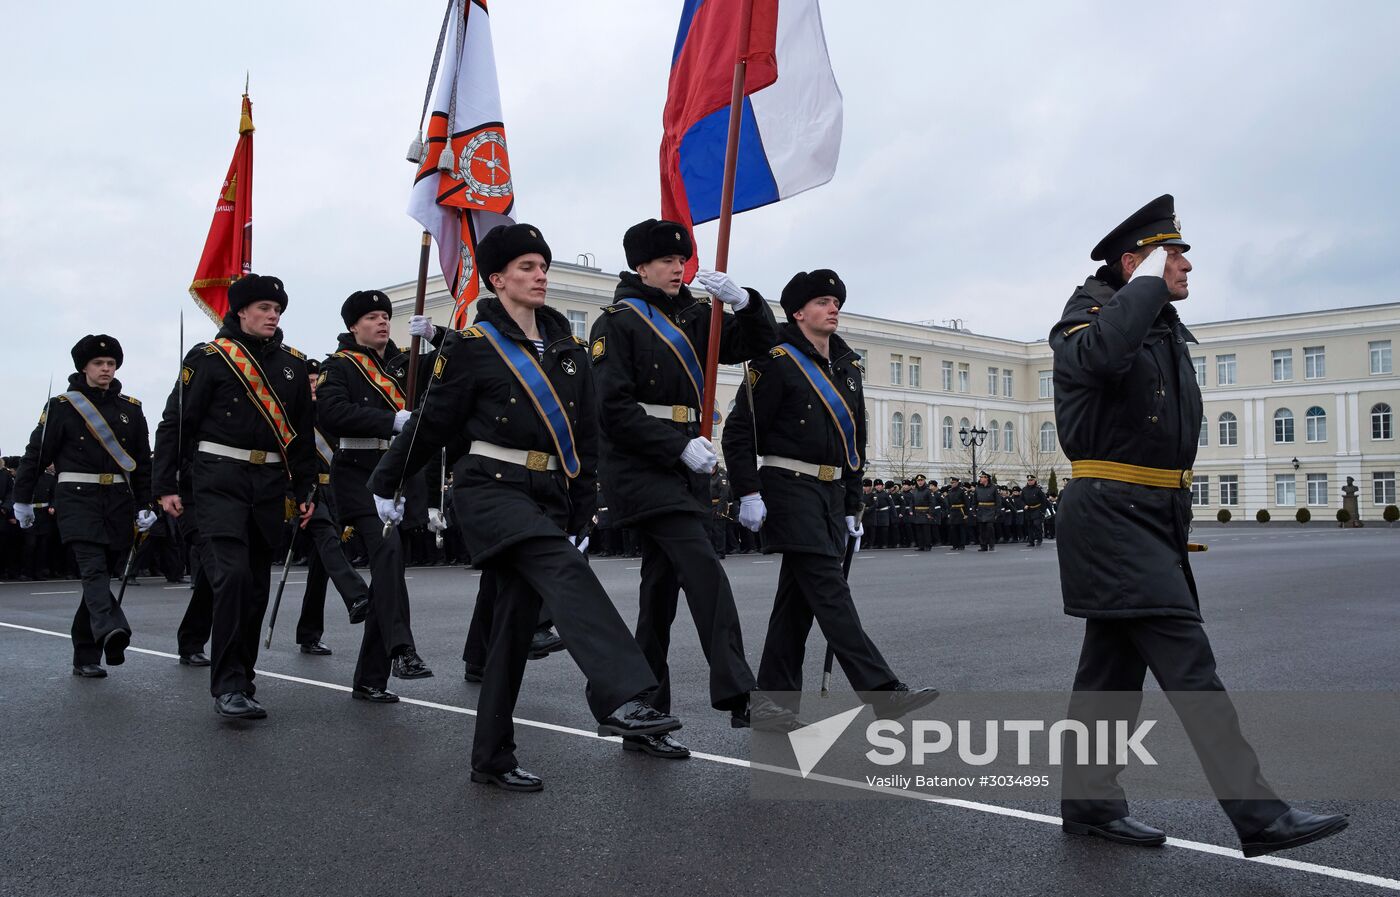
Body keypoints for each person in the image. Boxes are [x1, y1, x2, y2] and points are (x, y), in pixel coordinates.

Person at [1051, 194, 1347, 856]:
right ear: (1135, 265)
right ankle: (1258, 812)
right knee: (1190, 662)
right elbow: (1099, 360)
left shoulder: (1158, 327)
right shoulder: (1086, 321)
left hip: (1151, 515)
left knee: (1111, 671)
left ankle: (1090, 801)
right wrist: (1148, 288)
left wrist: (1152, 294)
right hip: (1112, 515)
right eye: (1171, 256)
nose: (1185, 267)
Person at [370, 223, 680, 789]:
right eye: (525, 268)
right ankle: (621, 694)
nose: (539, 276)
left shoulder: (569, 352)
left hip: (547, 494)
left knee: (512, 627)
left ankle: (492, 756)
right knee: (564, 571)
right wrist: (385, 483)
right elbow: (431, 423)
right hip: (488, 486)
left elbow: (586, 441)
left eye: (542, 267)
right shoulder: (469, 347)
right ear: (497, 280)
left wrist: (582, 513)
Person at [722, 269, 938, 729]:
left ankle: (768, 705)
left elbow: (854, 442)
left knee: (795, 606)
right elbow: (740, 430)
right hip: (788, 486)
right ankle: (882, 692)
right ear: (798, 312)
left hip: (829, 491)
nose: (833, 308)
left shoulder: (848, 368)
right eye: (822, 301)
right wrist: (748, 491)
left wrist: (851, 505)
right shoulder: (775, 360)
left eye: (836, 301)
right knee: (829, 593)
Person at [588, 217, 773, 746]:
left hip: (685, 468)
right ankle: (740, 694)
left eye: (681, 260)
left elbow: (756, 343)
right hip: (643, 468)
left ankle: (643, 711)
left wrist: (745, 302)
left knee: (660, 594)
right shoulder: (616, 323)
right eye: (667, 261)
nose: (678, 268)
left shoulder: (696, 315)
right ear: (640, 267)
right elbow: (614, 409)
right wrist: (675, 444)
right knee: (705, 570)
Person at [153, 275, 317, 719]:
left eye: (277, 309)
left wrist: (306, 487)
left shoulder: (292, 366)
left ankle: (243, 678)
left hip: (267, 487)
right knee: (232, 578)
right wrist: (165, 484)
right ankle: (227, 685)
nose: (272, 315)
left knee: (256, 588)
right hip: (215, 481)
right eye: (263, 307)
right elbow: (175, 424)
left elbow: (300, 437)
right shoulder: (209, 358)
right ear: (240, 312)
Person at [317, 289, 438, 699]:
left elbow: (456, 368)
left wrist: (438, 335)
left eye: (385, 315)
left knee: (389, 574)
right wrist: (390, 420)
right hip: (359, 475)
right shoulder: (340, 366)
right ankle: (403, 649)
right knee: (387, 557)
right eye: (371, 317)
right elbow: (331, 413)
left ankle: (370, 679)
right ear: (353, 326)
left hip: (399, 475)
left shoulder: (406, 361)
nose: (382, 322)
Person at [13, 335, 155, 676]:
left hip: (117, 502)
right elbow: (36, 456)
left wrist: (146, 505)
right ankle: (112, 629)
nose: (106, 369)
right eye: (98, 364)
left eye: (111, 364)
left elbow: (142, 463)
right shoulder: (62, 406)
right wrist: (22, 499)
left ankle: (85, 654)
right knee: (93, 571)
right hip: (77, 498)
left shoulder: (131, 409)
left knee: (100, 575)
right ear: (84, 368)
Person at [294, 362, 371, 655]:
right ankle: (356, 596)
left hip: (334, 488)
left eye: (316, 381)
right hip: (309, 491)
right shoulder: (295, 415)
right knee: (327, 540)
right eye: (309, 382)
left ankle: (309, 633)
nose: (313, 386)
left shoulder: (332, 412)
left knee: (320, 566)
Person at [973, 472, 997, 552]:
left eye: (982, 477)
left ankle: (991, 545)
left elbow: (998, 501)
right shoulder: (977, 488)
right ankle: (983, 545)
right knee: (982, 529)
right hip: (981, 510)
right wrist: (974, 511)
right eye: (980, 477)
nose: (980, 479)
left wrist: (997, 512)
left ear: (986, 478)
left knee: (990, 528)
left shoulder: (993, 488)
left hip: (990, 510)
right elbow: (974, 501)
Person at [909, 474, 933, 551]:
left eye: (921, 480)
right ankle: (921, 545)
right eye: (918, 481)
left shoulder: (928, 491)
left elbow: (932, 503)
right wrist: (911, 510)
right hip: (917, 513)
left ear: (924, 481)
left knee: (926, 531)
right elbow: (911, 502)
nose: (920, 482)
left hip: (925, 512)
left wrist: (930, 513)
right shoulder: (914, 491)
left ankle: (927, 545)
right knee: (918, 531)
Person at [1022, 474, 1046, 547]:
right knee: (1030, 526)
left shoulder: (1038, 489)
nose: (1030, 482)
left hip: (1037, 509)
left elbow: (1043, 501)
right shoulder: (1024, 489)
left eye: (1031, 480)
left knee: (1037, 525)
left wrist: (1042, 511)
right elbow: (1021, 499)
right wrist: (1024, 505)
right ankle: (1031, 541)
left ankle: (1039, 539)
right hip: (1028, 510)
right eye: (1029, 480)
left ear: (1034, 480)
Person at [945, 477, 967, 551]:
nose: (952, 484)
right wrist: (949, 512)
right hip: (953, 511)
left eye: (953, 482)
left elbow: (966, 502)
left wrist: (966, 513)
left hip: (960, 511)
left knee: (961, 529)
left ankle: (962, 545)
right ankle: (955, 544)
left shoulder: (962, 491)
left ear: (957, 482)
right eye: (951, 483)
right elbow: (948, 502)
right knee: (953, 529)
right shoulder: (950, 491)